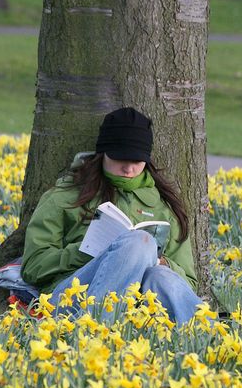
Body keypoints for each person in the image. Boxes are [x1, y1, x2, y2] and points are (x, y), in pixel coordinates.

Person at [21, 107, 202, 325]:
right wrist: (85, 252)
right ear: (103, 153)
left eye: (136, 160)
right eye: (120, 158)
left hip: (139, 306)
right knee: (138, 243)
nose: (128, 168)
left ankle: (212, 338)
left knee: (159, 274)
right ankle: (95, 330)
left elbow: (187, 284)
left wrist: (162, 263)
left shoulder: (165, 208)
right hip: (72, 299)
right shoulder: (65, 196)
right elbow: (32, 267)